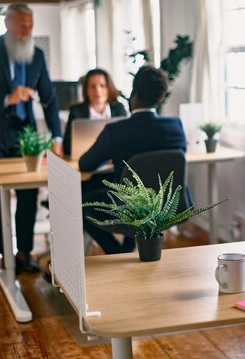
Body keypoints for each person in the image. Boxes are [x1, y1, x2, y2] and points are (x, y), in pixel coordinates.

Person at [0, 3, 63, 273]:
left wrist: (56, 135)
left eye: (31, 25)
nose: (27, 30)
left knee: (28, 193)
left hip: (26, 137)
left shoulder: (37, 55)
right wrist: (6, 99)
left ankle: (24, 252)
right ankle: (5, 255)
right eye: (23, 24)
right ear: (8, 24)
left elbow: (49, 97)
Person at [78, 65, 187, 254]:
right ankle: (128, 249)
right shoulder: (175, 127)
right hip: (168, 205)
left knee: (80, 206)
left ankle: (116, 251)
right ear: (161, 98)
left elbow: (85, 164)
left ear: (133, 95)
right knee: (134, 198)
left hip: (128, 206)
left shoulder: (117, 131)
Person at [62, 68, 127, 157]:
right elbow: (67, 147)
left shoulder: (119, 109)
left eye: (102, 85)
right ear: (86, 90)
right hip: (85, 160)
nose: (97, 90)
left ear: (109, 87)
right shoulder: (76, 112)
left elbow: (125, 140)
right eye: (92, 86)